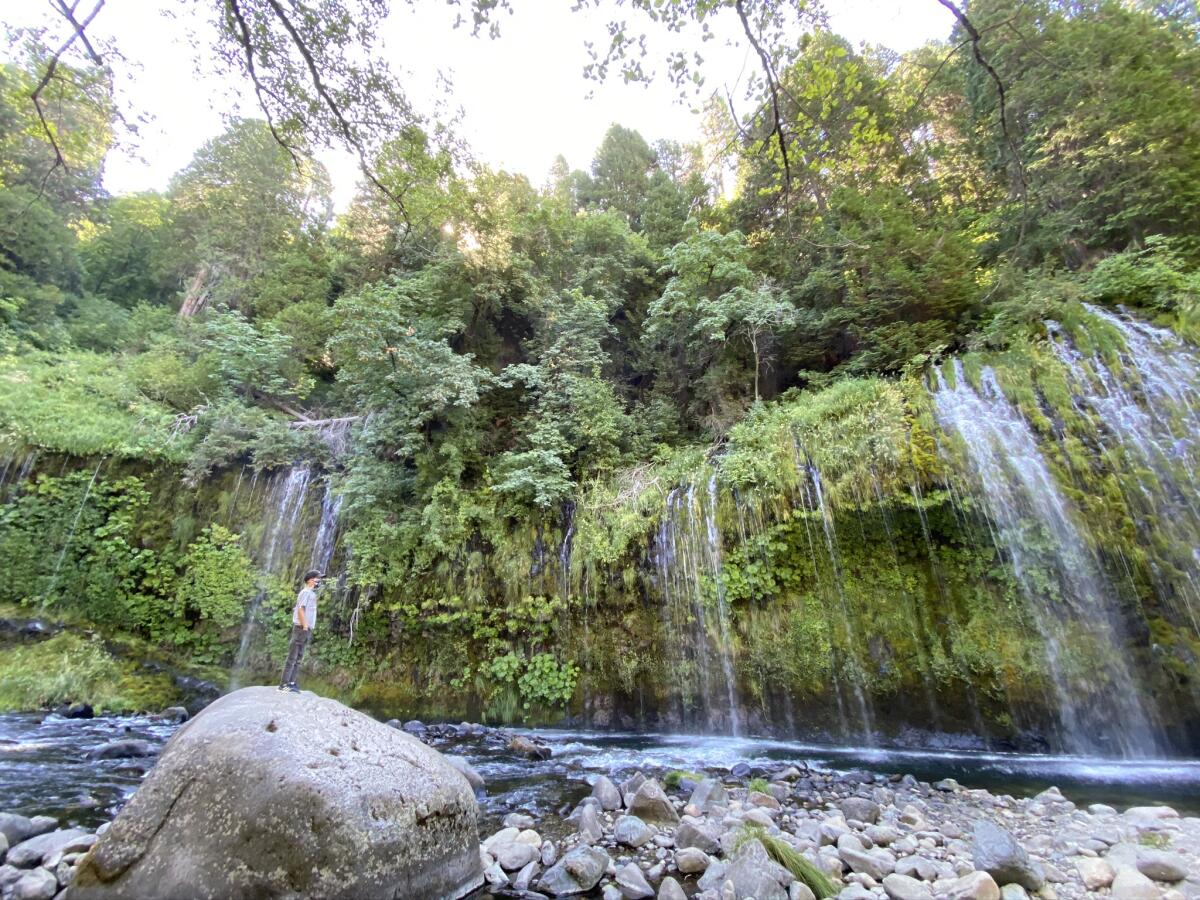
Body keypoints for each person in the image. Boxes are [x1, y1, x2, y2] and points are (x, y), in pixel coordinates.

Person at [279, 570, 323, 693]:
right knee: (292, 657)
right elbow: (300, 610)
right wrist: (304, 626)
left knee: (299, 657)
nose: (319, 581)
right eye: (317, 579)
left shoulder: (311, 593)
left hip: (306, 629)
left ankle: (292, 682)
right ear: (310, 580)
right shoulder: (305, 592)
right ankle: (283, 685)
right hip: (301, 628)